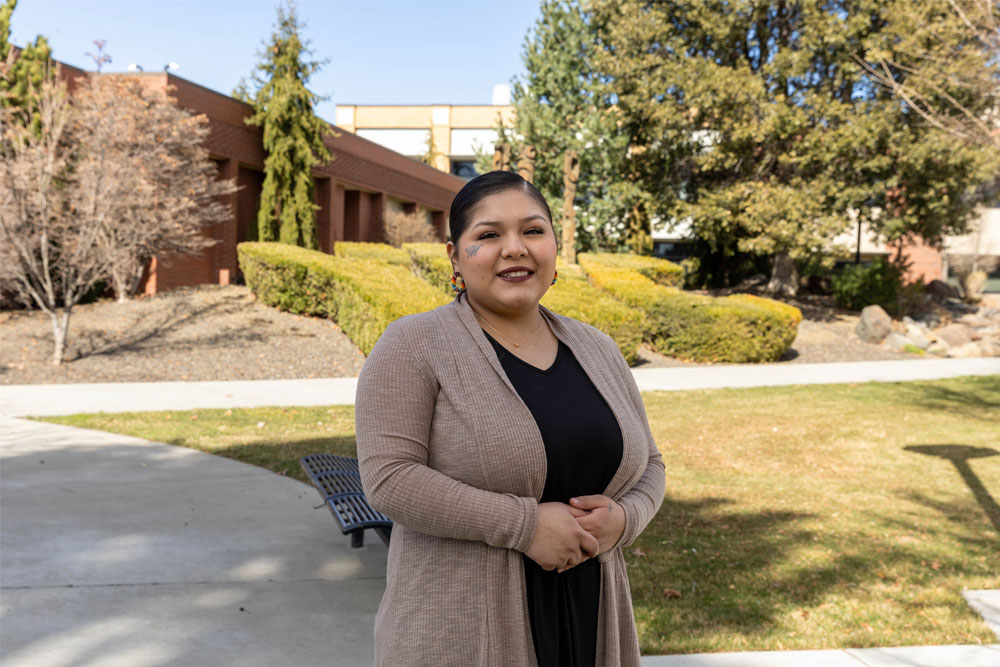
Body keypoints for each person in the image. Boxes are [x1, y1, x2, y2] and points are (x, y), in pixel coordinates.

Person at [356, 170, 665, 667]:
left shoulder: (598, 349)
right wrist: (524, 526)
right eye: (489, 235)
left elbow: (650, 463)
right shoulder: (414, 345)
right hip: (462, 627)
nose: (515, 248)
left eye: (533, 230)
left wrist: (625, 520)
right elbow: (389, 479)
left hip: (590, 613)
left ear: (554, 247)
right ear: (455, 255)